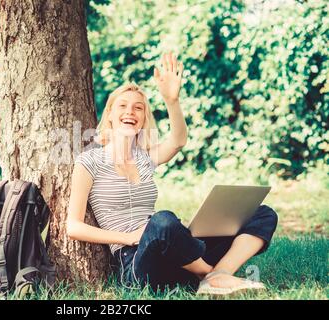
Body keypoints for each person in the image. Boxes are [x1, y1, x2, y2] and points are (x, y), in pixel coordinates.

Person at [66, 52, 278, 296]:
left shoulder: (145, 157)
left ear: (144, 118)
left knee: (261, 214)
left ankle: (218, 275)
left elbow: (178, 141)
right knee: (163, 221)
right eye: (122, 106)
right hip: (137, 263)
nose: (130, 112)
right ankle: (211, 275)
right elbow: (73, 226)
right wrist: (128, 237)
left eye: (138, 108)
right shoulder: (89, 161)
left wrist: (171, 100)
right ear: (110, 115)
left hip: (173, 254)